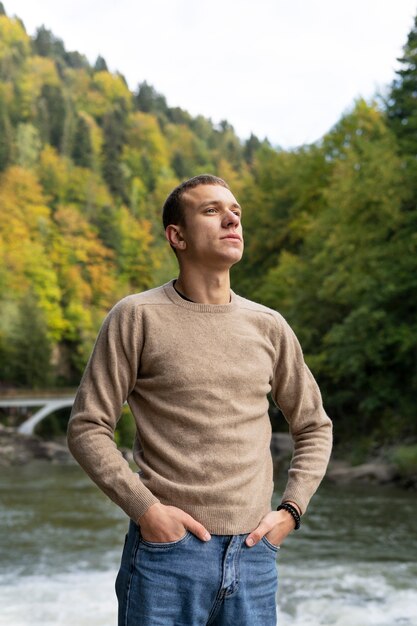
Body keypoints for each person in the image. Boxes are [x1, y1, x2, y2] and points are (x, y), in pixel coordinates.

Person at [67, 174, 332, 626]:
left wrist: (291, 511)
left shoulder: (269, 326)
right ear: (178, 236)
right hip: (167, 556)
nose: (232, 218)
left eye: (236, 211)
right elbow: (87, 426)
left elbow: (313, 425)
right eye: (212, 210)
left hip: (254, 557)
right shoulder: (136, 317)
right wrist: (147, 512)